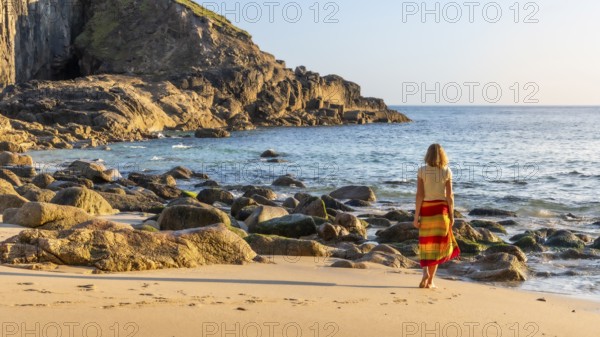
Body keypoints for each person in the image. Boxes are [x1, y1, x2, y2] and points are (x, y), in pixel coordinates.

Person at [413, 143, 460, 289]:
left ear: (428, 155)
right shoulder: (447, 171)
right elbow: (450, 196)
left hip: (427, 210)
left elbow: (420, 195)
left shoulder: (422, 171)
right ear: (443, 155)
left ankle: (425, 273)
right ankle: (431, 281)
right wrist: (452, 216)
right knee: (437, 247)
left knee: (425, 244)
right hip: (441, 211)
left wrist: (416, 216)